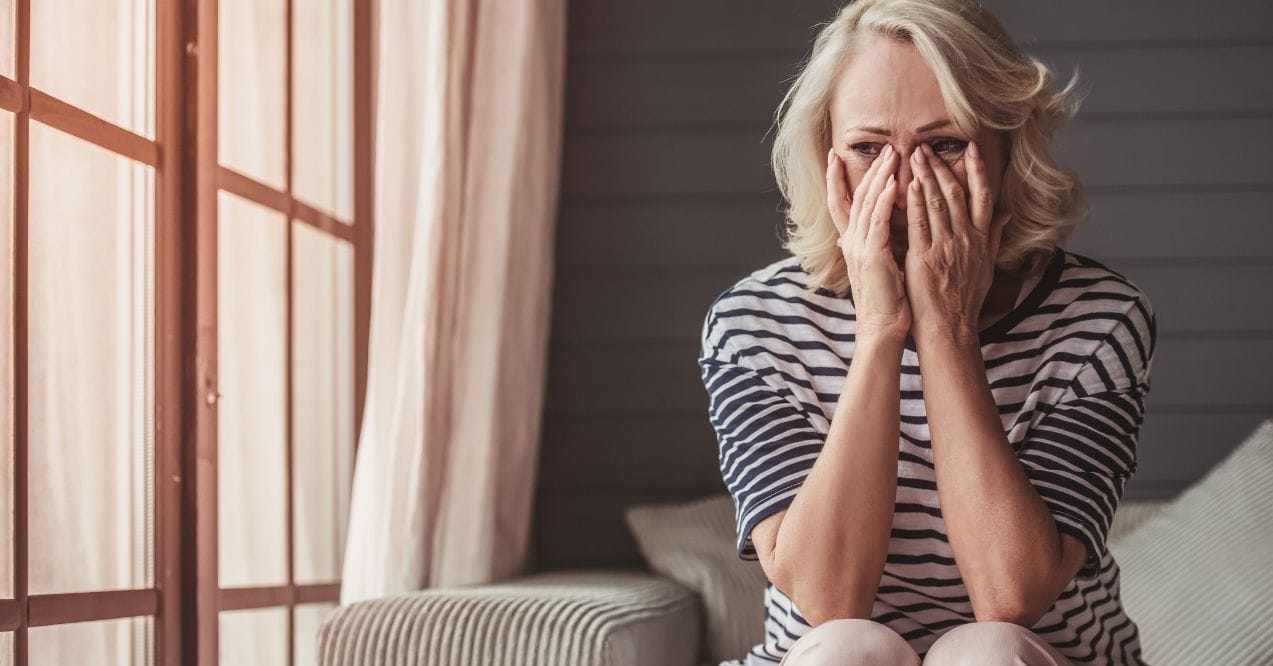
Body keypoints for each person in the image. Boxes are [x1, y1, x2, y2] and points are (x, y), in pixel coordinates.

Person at [697, 1, 1156, 664]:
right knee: (844, 647)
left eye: (943, 145)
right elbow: (828, 601)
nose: (906, 184)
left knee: (989, 649)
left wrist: (947, 328)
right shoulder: (754, 322)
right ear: (825, 155)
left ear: (1006, 154)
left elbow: (1009, 597)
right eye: (866, 149)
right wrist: (882, 329)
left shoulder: (1099, 318)